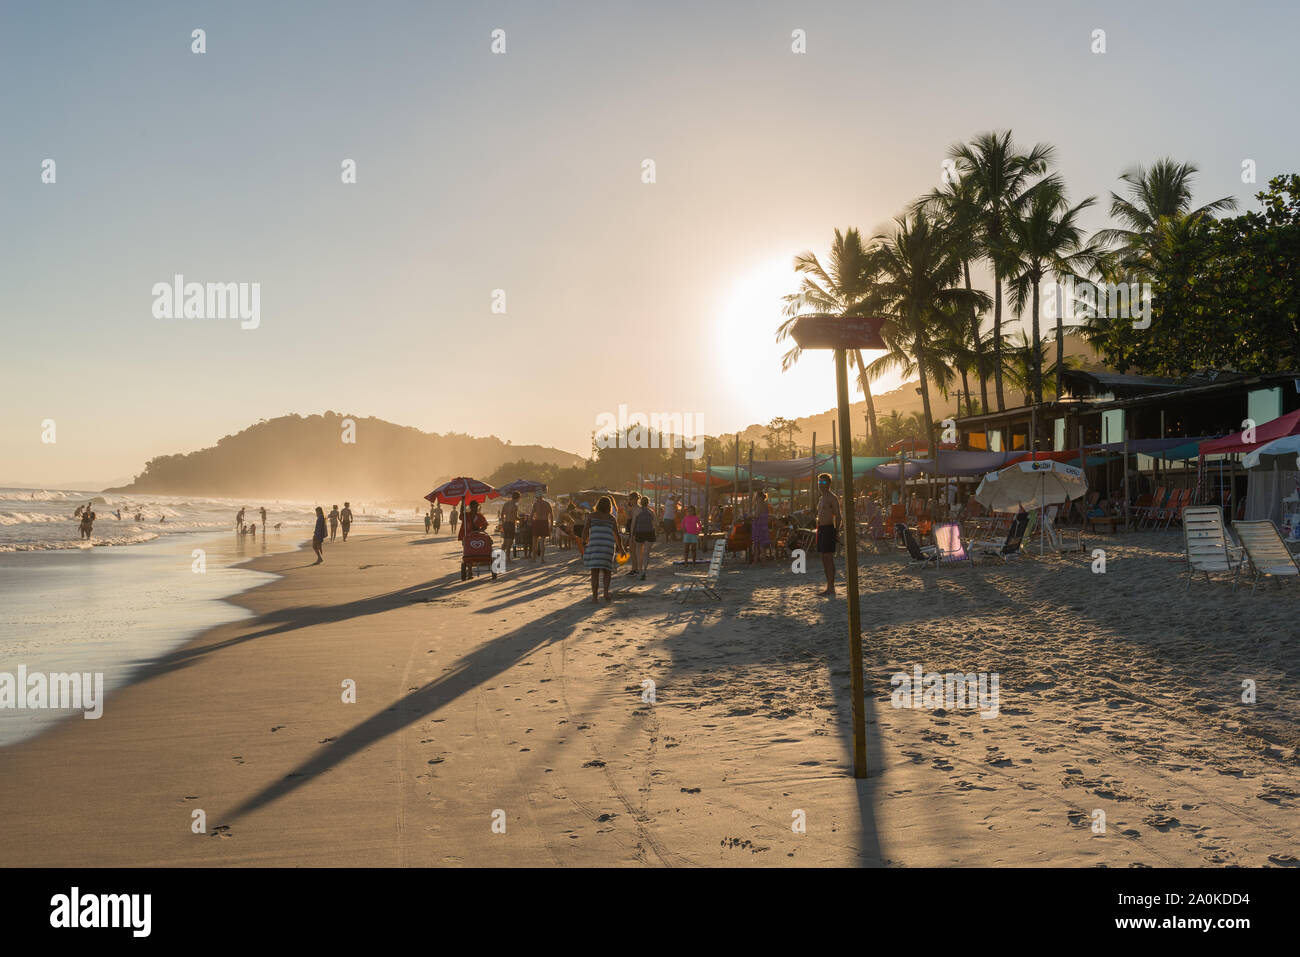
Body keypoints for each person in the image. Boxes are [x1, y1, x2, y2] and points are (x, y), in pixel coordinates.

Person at [582, 496, 623, 603]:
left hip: (595, 545)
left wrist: (584, 542)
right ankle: (606, 593)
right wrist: (621, 549)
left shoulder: (591, 516)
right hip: (608, 546)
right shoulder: (611, 518)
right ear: (609, 506)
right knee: (607, 571)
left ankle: (595, 597)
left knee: (594, 572)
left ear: (598, 505)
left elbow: (585, 531)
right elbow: (617, 535)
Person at [814, 472, 842, 596]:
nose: (821, 485)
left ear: (829, 484)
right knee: (824, 560)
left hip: (829, 529)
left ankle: (831, 587)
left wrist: (836, 531)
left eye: (823, 482)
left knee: (829, 559)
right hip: (821, 530)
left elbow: (838, 516)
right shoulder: (821, 499)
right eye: (819, 482)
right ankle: (828, 586)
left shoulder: (832, 497)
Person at [632, 494, 656, 580]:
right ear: (648, 503)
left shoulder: (637, 511)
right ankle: (644, 571)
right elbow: (655, 524)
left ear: (640, 502)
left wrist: (632, 534)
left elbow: (633, 524)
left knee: (639, 553)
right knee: (646, 553)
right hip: (649, 532)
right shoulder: (651, 511)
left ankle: (640, 570)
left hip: (639, 532)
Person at [530, 494, 553, 562]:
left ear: (536, 497)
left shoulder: (535, 504)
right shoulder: (547, 504)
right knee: (542, 542)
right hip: (544, 522)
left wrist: (531, 522)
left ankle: (533, 558)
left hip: (537, 522)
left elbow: (531, 515)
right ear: (542, 497)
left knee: (534, 542)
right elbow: (551, 515)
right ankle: (542, 559)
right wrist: (551, 525)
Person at [751, 490, 772, 563]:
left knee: (757, 545)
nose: (756, 499)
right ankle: (763, 561)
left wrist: (750, 515)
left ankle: (755, 561)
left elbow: (757, 515)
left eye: (756, 497)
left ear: (760, 498)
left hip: (759, 526)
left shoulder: (760, 505)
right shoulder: (765, 504)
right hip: (764, 526)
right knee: (762, 546)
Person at [624, 493, 641, 575]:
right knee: (633, 551)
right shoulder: (634, 508)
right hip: (633, 531)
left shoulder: (636, 509)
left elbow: (631, 521)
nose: (629, 501)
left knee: (634, 551)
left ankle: (635, 569)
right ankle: (634, 569)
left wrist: (631, 534)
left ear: (635, 499)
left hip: (634, 532)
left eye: (630, 499)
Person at [500, 492, 520, 560]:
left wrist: (503, 523)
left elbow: (502, 514)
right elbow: (515, 517)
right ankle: (508, 558)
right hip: (511, 524)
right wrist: (521, 519)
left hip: (506, 524)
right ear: (518, 498)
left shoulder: (506, 503)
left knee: (505, 542)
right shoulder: (515, 505)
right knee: (510, 542)